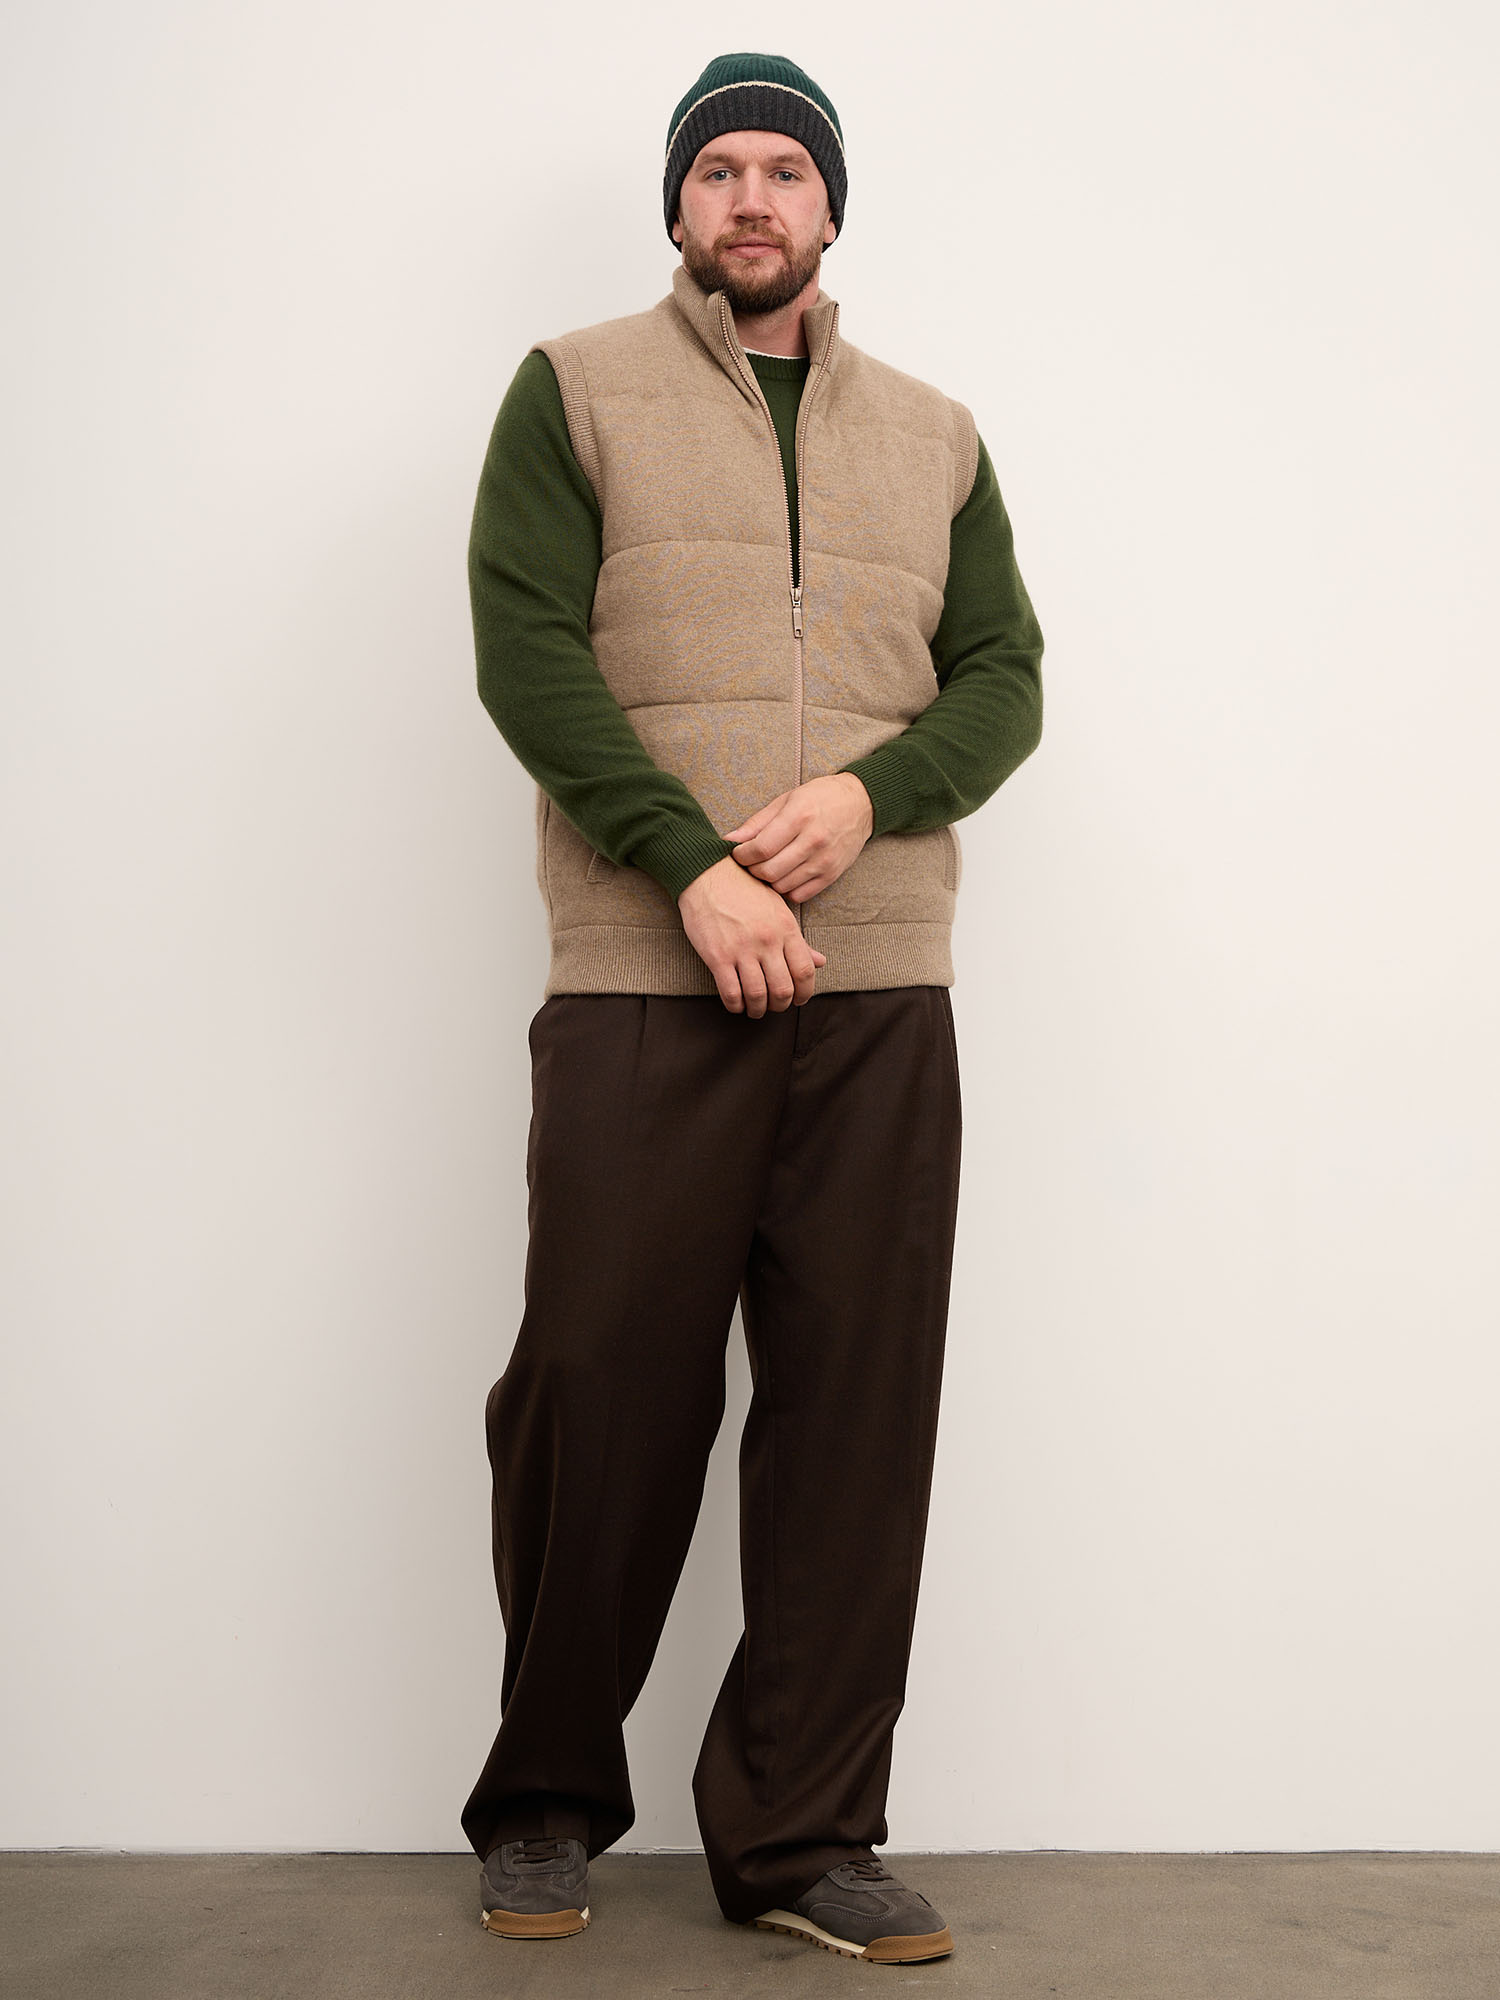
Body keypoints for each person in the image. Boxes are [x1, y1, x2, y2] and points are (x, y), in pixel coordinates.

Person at [459, 51, 1044, 1966]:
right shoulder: (574, 392)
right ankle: (546, 1800)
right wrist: (687, 865)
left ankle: (804, 1834)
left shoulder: (938, 435)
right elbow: (528, 655)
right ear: (678, 207)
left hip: (879, 991)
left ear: (832, 207)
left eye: (787, 168)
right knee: (598, 1387)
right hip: (647, 975)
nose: (753, 198)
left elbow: (1003, 679)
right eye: (719, 168)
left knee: (858, 1411)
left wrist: (872, 799)